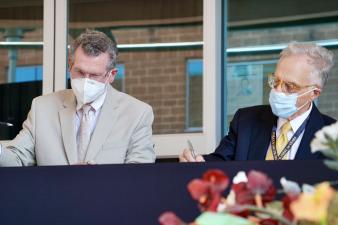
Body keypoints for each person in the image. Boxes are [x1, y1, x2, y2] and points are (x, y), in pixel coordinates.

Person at [0, 30, 155, 166]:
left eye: (94, 75)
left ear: (111, 75)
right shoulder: (42, 108)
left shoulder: (137, 114)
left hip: (109, 199)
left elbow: (139, 175)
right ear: (70, 65)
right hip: (52, 199)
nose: (86, 80)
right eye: (80, 72)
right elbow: (17, 159)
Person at [180, 42, 336, 162]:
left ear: (314, 93)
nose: (278, 90)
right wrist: (198, 162)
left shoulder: (333, 136)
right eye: (276, 81)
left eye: (290, 86)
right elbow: (220, 163)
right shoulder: (246, 121)